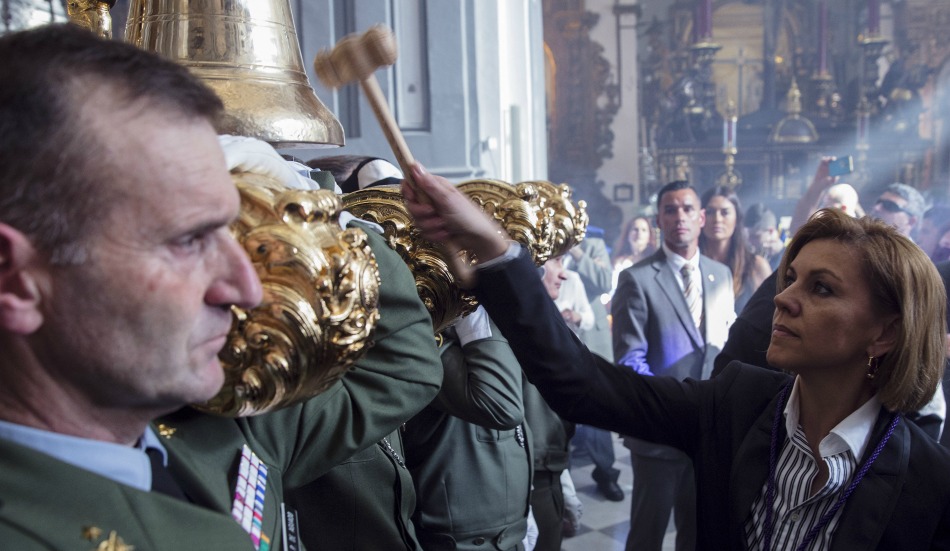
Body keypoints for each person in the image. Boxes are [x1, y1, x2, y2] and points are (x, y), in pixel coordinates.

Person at [0, 25, 442, 550]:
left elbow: (402, 368)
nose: (245, 289)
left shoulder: (198, 429)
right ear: (17, 280)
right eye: (190, 240)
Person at [401, 167, 950, 551]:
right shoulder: (738, 404)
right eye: (791, 279)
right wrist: (497, 251)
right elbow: (581, 382)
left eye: (823, 288)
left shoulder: (928, 483)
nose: (783, 297)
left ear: (884, 333)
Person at [611, 180, 735, 551]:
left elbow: (723, 349)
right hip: (659, 429)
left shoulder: (720, 274)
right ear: (658, 221)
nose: (679, 217)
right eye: (670, 210)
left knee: (697, 533)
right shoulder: (637, 279)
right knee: (647, 534)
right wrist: (673, 407)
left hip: (708, 432)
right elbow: (631, 360)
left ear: (701, 218)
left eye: (686, 209)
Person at [403, 305, 531, 551]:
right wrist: (473, 308)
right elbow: (501, 405)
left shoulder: (485, 332)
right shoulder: (426, 338)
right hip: (462, 542)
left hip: (508, 533)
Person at [565, 233, 625, 502]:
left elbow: (603, 283)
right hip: (558, 332)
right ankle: (558, 474)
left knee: (599, 400)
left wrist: (577, 252)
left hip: (593, 336)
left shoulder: (593, 245)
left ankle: (606, 472)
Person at [525, 256, 576, 551]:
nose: (563, 273)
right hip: (534, 478)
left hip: (549, 470)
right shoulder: (523, 328)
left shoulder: (543, 323)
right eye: (555, 260)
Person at [700, 185, 772, 313]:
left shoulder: (756, 266)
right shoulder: (691, 266)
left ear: (737, 218)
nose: (717, 219)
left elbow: (770, 317)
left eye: (725, 212)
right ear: (701, 217)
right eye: (710, 212)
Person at [609, 216, 656, 297]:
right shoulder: (619, 262)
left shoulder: (654, 263)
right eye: (635, 229)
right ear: (628, 234)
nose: (639, 233)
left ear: (649, 236)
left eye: (644, 230)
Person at [745, 203, 785, 270]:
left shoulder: (791, 258)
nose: (751, 241)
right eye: (749, 237)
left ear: (771, 231)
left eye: (756, 237)